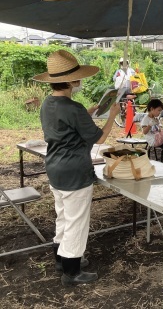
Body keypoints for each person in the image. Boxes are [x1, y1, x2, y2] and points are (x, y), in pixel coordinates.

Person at [33, 50, 120, 286]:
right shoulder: (74, 109)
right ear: (71, 81)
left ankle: (61, 260)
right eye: (78, 77)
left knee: (63, 216)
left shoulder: (48, 104)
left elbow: (67, 126)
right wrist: (112, 115)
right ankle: (72, 272)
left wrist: (90, 112)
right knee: (76, 222)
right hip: (74, 171)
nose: (80, 81)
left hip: (55, 168)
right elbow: (99, 138)